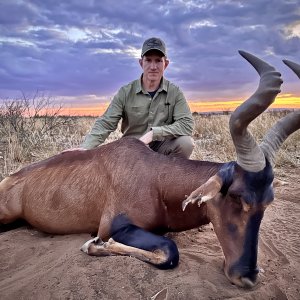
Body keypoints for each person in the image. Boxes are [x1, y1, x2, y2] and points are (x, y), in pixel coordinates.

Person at [80, 37, 194, 158]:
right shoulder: (125, 92)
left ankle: (168, 175)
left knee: (186, 143)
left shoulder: (175, 92)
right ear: (141, 63)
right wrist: (84, 149)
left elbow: (186, 124)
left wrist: (153, 134)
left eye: (158, 61)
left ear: (166, 64)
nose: (153, 66)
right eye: (148, 60)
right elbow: (106, 123)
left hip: (161, 148)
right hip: (132, 150)